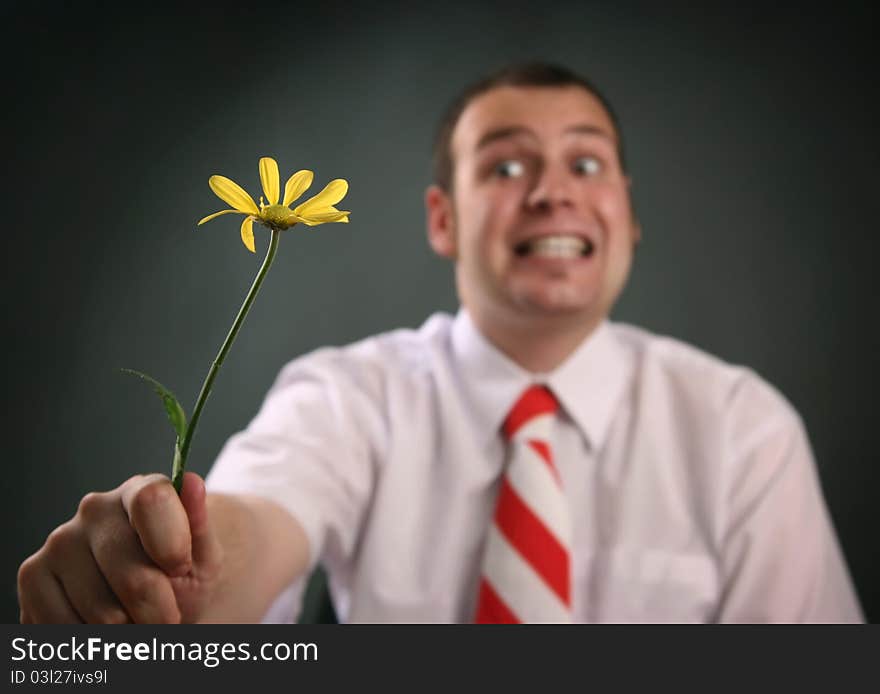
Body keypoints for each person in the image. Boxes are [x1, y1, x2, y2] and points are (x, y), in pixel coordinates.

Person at [17, 62, 863, 624]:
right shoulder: (348, 395)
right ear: (442, 220)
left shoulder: (746, 428)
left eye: (588, 164)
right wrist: (184, 568)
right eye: (504, 166)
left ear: (630, 217)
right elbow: (258, 522)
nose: (551, 194)